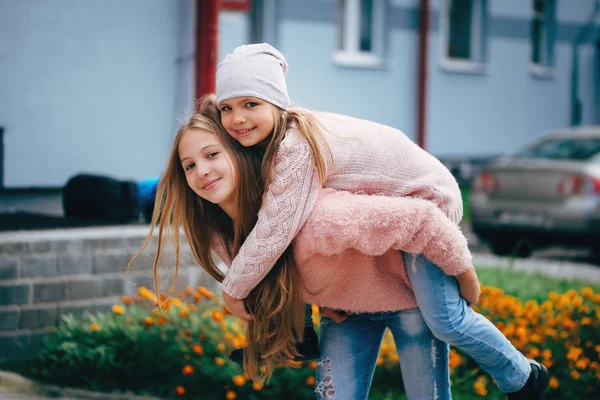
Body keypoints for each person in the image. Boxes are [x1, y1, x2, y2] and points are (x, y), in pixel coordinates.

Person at [214, 43, 548, 399]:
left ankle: (522, 375)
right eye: (226, 108)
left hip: (427, 201)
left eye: (251, 104)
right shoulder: (280, 141)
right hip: (398, 207)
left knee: (445, 320)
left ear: (277, 103)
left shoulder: (297, 146)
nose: (237, 118)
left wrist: (234, 288)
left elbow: (277, 227)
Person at [132, 99, 482, 398]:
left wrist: (464, 274)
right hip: (352, 306)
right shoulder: (218, 227)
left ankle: (523, 376)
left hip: (416, 259)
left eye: (211, 155)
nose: (201, 171)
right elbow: (290, 265)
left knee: (437, 356)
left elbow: (421, 220)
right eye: (189, 165)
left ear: (241, 155)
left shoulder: (314, 209)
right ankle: (302, 333)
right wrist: (329, 300)